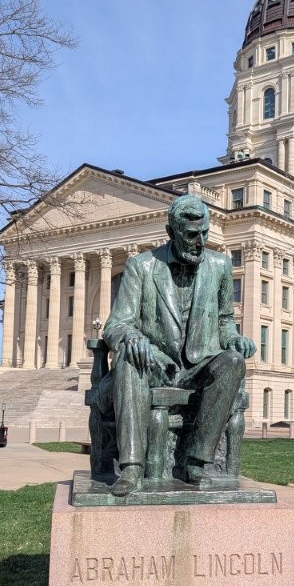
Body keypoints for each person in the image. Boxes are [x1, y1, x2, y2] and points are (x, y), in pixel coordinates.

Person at [103, 195, 256, 495]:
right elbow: (116, 325)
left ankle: (196, 462)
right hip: (155, 364)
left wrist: (235, 339)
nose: (200, 242)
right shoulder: (141, 266)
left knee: (234, 363)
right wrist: (130, 337)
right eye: (191, 235)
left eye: (205, 234)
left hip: (200, 365)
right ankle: (132, 467)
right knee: (128, 357)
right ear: (171, 232)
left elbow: (225, 320)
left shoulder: (220, 265)